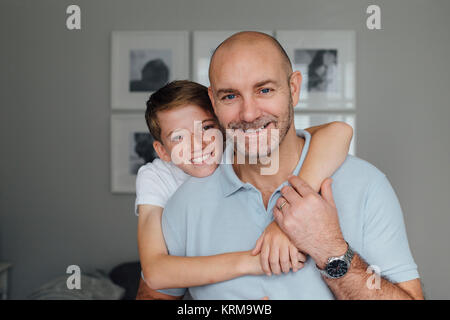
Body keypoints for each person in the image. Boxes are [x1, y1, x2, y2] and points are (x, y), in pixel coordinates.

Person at [153, 31, 423, 300]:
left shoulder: (366, 185)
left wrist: (330, 250)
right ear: (213, 101)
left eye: (265, 90)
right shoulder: (185, 203)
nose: (249, 114)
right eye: (230, 96)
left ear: (293, 89)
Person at [135, 80, 353, 299]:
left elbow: (339, 131)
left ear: (222, 124)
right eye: (179, 137)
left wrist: (290, 211)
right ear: (162, 151)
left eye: (207, 128)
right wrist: (255, 261)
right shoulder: (157, 177)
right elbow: (155, 272)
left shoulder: (240, 147)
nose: (198, 144)